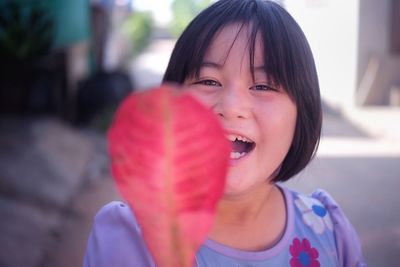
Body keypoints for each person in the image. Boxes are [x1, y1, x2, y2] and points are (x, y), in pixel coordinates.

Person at [83, 0, 366, 266]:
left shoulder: (330, 233)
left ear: (301, 113)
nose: (231, 108)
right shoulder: (130, 236)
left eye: (263, 86)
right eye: (208, 80)